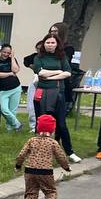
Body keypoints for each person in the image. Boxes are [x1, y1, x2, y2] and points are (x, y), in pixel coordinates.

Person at [30, 34, 79, 162]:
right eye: (48, 42)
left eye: (52, 43)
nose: (50, 45)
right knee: (41, 122)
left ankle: (69, 152)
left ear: (57, 44)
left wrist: (51, 76)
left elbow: (67, 73)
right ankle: (38, 150)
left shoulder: (62, 57)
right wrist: (58, 71)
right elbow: (40, 72)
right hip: (42, 93)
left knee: (61, 124)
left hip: (58, 93)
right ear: (43, 44)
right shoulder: (38, 57)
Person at [14, 113, 71, 199]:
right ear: (52, 129)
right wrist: (66, 167)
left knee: (31, 191)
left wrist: (18, 165)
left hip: (29, 170)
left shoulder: (32, 141)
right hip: (45, 171)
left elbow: (22, 154)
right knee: (50, 190)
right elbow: (61, 156)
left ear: (38, 127)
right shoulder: (52, 142)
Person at [0, 43, 22, 131]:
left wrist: (12, 57)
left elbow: (15, 70)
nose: (6, 54)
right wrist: (9, 74)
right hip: (3, 90)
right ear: (0, 51)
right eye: (4, 52)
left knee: (12, 110)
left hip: (16, 88)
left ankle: (9, 129)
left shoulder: (12, 59)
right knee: (4, 109)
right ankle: (17, 124)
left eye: (8, 53)